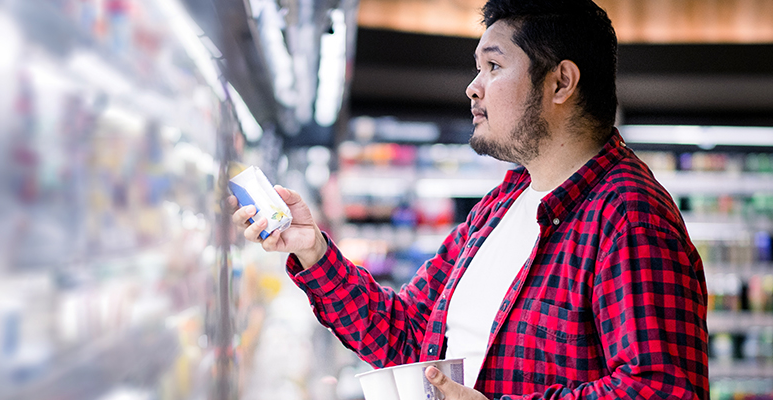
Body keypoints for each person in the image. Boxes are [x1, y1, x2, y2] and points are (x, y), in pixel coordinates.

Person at [230, 0, 709, 399]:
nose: (472, 86)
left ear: (561, 82)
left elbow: (663, 389)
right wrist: (312, 250)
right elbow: (408, 336)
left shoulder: (631, 216)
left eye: (493, 67)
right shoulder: (500, 205)